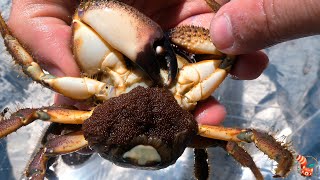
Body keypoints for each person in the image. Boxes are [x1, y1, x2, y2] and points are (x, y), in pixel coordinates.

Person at [6, 0, 320, 125]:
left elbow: (225, 56)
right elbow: (91, 9)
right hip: (103, 111)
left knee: (230, 51)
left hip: (158, 106)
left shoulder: (186, 80)